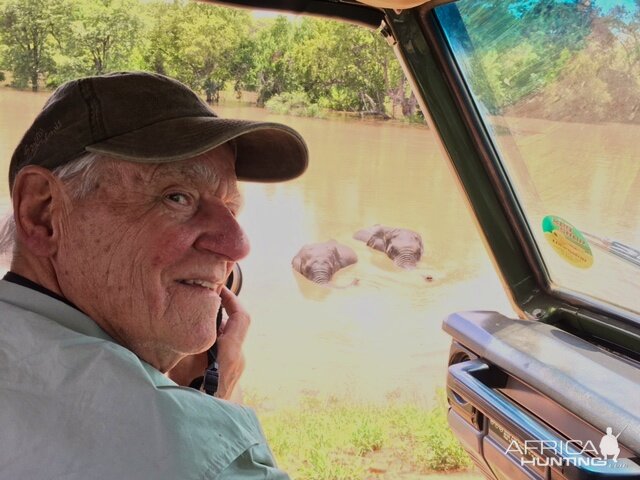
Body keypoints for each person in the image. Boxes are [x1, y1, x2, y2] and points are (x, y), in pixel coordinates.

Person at [0, 71, 308, 478]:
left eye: (231, 208)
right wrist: (208, 408)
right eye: (177, 196)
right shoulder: (184, 450)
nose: (238, 246)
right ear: (42, 213)